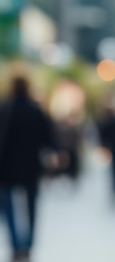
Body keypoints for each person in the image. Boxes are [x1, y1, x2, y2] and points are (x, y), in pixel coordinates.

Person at [0, 75, 57, 262]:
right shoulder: (36, 110)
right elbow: (48, 139)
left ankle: (17, 244)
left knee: (9, 207)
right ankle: (29, 244)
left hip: (7, 167)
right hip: (31, 167)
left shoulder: (5, 109)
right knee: (31, 205)